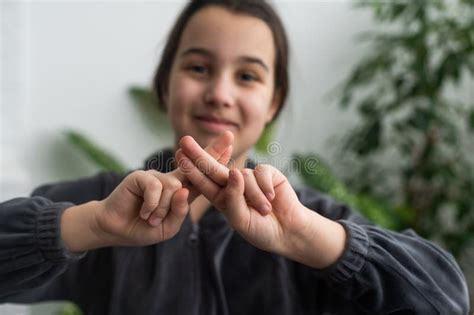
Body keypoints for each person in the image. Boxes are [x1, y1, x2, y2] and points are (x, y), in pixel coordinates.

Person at [0, 0, 469, 314]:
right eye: (199, 68)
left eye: (247, 76)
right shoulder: (101, 203)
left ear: (273, 103)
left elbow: (444, 299)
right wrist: (95, 226)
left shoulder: (311, 220)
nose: (220, 94)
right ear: (165, 85)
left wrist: (308, 237)